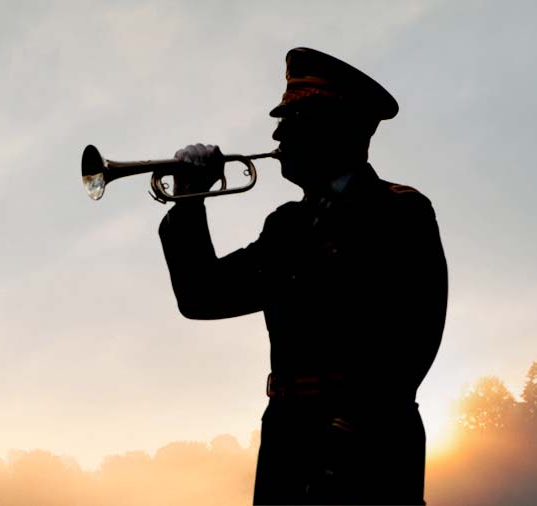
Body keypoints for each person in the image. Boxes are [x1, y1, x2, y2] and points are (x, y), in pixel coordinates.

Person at [158, 47, 448, 505]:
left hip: (369, 441)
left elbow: (415, 336)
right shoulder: (286, 225)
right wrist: (189, 200)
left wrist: (347, 432)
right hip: (288, 434)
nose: (276, 133)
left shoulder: (400, 210)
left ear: (335, 126)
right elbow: (202, 297)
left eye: (292, 120)